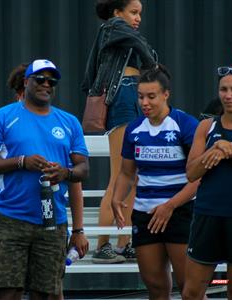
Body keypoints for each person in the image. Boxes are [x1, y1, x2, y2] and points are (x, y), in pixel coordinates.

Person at [0, 63, 89, 300]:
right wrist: (22, 161)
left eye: (51, 81)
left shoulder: (69, 122)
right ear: (26, 82)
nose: (46, 84)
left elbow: (83, 170)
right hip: (10, 219)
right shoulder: (2, 117)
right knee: (7, 292)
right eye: (40, 79)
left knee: (46, 294)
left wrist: (64, 173)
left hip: (52, 222)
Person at [111, 65, 199, 298]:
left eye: (151, 96)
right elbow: (127, 173)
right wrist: (116, 198)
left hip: (180, 213)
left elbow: (198, 176)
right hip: (145, 214)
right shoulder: (134, 128)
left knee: (189, 288)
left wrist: (170, 206)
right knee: (156, 287)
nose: (145, 103)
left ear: (166, 94)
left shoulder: (184, 124)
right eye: (140, 97)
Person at [81, 0, 157, 264]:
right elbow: (144, 51)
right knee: (120, 175)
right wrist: (150, 60)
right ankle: (102, 244)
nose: (137, 18)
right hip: (123, 96)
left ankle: (124, 243)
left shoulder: (122, 33)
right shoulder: (114, 27)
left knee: (134, 176)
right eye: (133, 12)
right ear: (117, 12)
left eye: (140, 14)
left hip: (133, 94)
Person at [182, 62, 232, 299]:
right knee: (192, 292)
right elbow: (191, 173)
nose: (228, 95)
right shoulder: (207, 126)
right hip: (208, 214)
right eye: (223, 89)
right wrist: (213, 149)